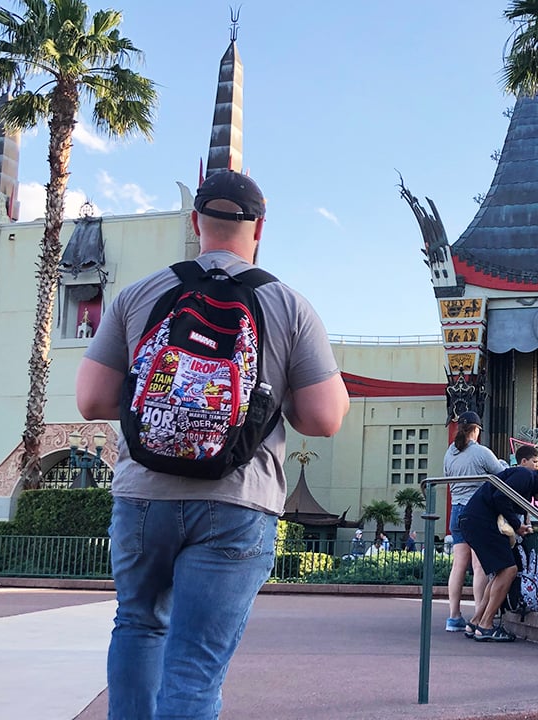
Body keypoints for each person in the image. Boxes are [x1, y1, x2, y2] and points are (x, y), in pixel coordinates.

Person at [74, 170, 350, 720]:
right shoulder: (287, 305)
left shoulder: (141, 293)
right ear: (260, 229)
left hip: (144, 495)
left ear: (196, 222)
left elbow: (91, 400)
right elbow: (323, 418)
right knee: (194, 666)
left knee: (137, 624)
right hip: (237, 499)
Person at [458, 466, 538, 642]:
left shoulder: (525, 482)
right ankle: (486, 625)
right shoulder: (525, 476)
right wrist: (517, 526)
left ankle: (475, 621)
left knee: (500, 573)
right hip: (481, 522)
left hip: (473, 521)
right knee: (510, 570)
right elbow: (501, 496)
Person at [442, 410, 509, 633]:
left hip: (456, 513)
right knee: (479, 564)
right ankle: (479, 615)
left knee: (458, 565)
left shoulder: (449, 454)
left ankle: (454, 616)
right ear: (477, 430)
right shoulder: (481, 453)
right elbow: (502, 474)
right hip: (477, 513)